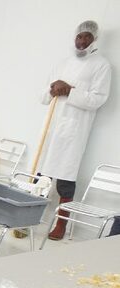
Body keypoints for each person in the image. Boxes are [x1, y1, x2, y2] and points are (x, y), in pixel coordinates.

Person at [39, 19, 111, 241]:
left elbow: (98, 99)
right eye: (79, 37)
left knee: (65, 180)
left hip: (74, 130)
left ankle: (62, 224)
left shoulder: (101, 65)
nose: (82, 41)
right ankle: (28, 217)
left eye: (87, 37)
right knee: (42, 176)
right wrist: (53, 89)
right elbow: (45, 94)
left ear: (94, 39)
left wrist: (70, 90)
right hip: (53, 126)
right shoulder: (63, 63)